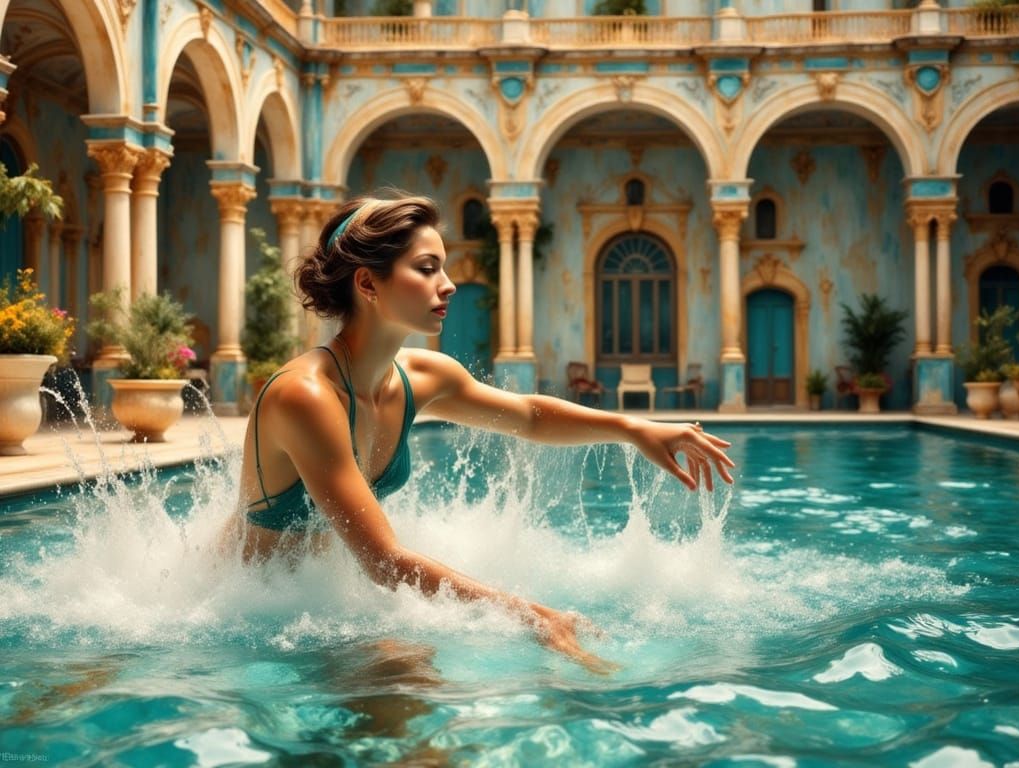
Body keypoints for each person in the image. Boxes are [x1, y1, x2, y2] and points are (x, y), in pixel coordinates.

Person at [219, 193, 735, 673]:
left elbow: (528, 415)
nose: (449, 284)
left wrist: (632, 428)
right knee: (408, 673)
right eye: (426, 269)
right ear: (368, 284)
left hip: (316, 603)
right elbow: (383, 560)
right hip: (249, 618)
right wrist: (532, 616)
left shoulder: (421, 375)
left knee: (417, 672)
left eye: (442, 266)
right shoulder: (306, 395)